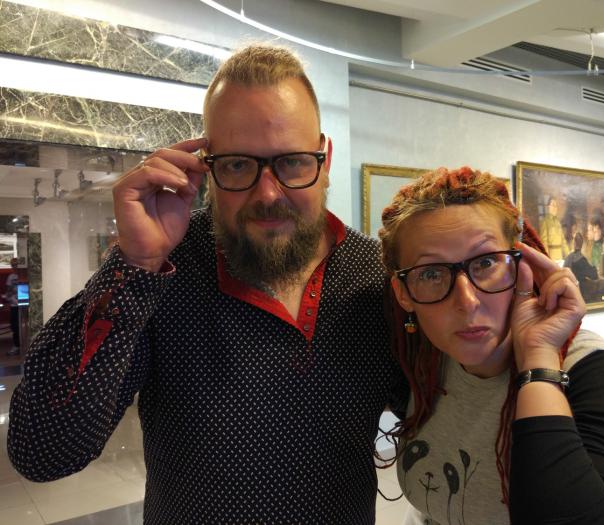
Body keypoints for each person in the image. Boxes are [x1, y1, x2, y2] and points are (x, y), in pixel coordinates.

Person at [9, 44, 406, 524]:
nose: (268, 193)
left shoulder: (377, 275)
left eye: (292, 162)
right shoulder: (162, 272)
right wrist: (136, 263)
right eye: (237, 164)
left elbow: (440, 410)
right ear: (206, 166)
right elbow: (43, 451)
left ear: (325, 159)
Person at [379, 167, 604, 524]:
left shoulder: (589, 367)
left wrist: (539, 357)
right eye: (431, 273)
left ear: (521, 264)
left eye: (486, 262)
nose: (467, 301)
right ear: (403, 293)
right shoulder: (422, 361)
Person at [563, 232, 599, 303]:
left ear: (574, 243)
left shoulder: (569, 258)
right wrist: (594, 267)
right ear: (582, 244)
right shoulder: (582, 260)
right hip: (580, 293)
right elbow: (594, 276)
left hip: (569, 292)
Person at [538, 196, 568, 262]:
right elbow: (544, 242)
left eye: (556, 206)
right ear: (548, 207)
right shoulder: (545, 222)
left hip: (560, 256)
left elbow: (563, 241)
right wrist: (547, 259)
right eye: (553, 205)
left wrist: (569, 256)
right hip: (551, 257)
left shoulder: (558, 223)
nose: (555, 208)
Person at [4, 257, 20, 356]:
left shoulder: (23, 275)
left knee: (20, 326)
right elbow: (8, 290)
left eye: (16, 265)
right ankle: (16, 346)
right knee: (14, 326)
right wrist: (7, 296)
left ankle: (21, 346)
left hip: (22, 305)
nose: (14, 267)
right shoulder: (11, 277)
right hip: (14, 304)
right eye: (13, 265)